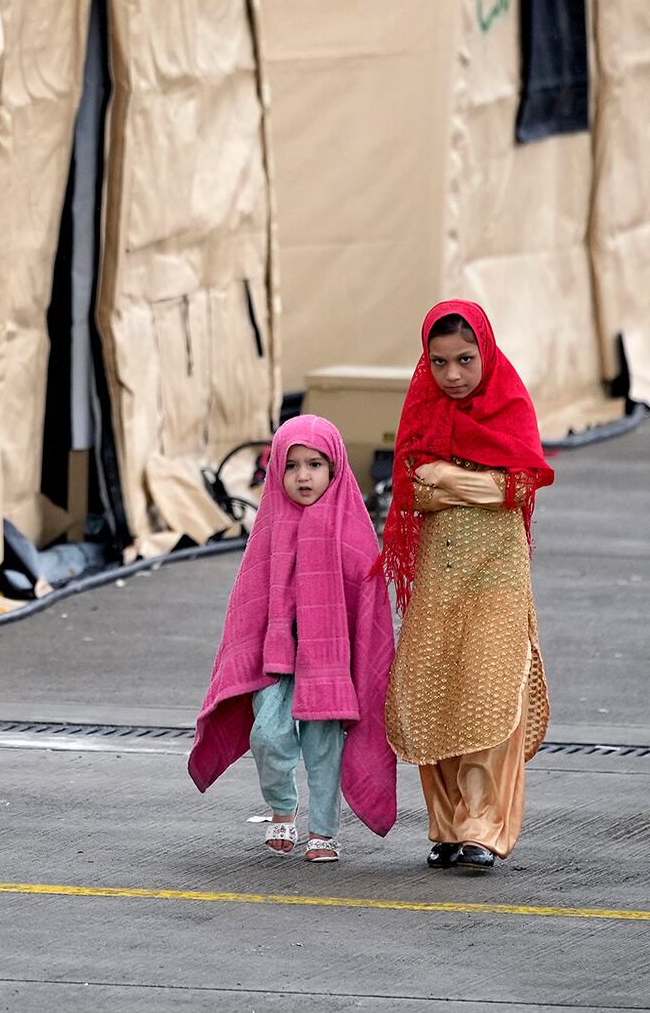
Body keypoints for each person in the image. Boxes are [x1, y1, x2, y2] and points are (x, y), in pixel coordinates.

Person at [381, 300, 554, 872]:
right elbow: (412, 487)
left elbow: (520, 486)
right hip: (439, 576)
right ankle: (449, 826)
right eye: (439, 362)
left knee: (488, 692)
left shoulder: (509, 403)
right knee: (435, 692)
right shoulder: (422, 410)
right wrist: (479, 480)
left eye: (464, 359)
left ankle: (482, 827)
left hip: (498, 577)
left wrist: (447, 476)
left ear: (486, 352)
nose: (452, 375)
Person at [189, 415, 397, 863]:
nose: (303, 476)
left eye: (315, 464)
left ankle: (324, 829)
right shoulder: (269, 525)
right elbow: (249, 599)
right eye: (291, 465)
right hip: (276, 655)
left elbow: (367, 603)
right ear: (276, 472)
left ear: (336, 468)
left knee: (325, 746)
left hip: (329, 659)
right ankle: (282, 808)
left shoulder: (352, 529)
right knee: (267, 734)